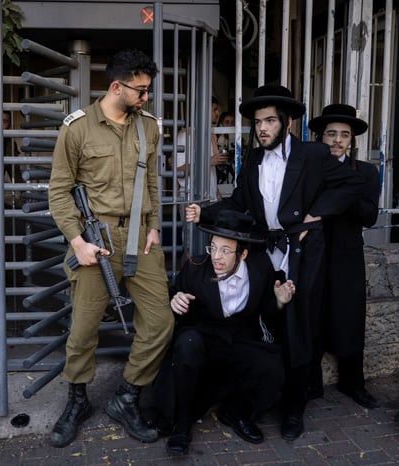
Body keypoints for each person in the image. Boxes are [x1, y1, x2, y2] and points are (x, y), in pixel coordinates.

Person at [185, 85, 365, 441]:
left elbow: (351, 186)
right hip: (265, 252)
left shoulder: (312, 154)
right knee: (261, 326)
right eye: (257, 122)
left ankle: (294, 412)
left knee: (299, 330)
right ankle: (254, 402)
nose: (262, 128)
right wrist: (203, 212)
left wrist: (315, 215)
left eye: (269, 120)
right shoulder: (252, 160)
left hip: (302, 254)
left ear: (287, 122)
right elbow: (240, 203)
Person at [47, 49, 174, 448]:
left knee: (159, 323)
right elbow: (58, 191)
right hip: (94, 240)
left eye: (149, 90)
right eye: (140, 90)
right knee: (83, 330)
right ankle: (77, 401)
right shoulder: (78, 128)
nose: (146, 98)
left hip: (140, 237)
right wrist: (77, 241)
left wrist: (154, 226)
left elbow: (152, 182)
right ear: (116, 86)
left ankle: (127, 396)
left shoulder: (148, 127)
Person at [152, 210, 295, 455]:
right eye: (213, 248)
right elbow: (176, 295)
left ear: (244, 253)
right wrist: (175, 301)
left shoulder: (260, 267)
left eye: (226, 251)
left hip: (240, 336)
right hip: (204, 336)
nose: (216, 257)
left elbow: (266, 309)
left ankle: (237, 413)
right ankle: (182, 425)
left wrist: (280, 301)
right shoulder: (196, 267)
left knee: (271, 366)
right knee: (187, 343)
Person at [307, 104, 380, 409]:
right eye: (331, 133)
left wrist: (343, 189)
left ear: (352, 140)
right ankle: (309, 384)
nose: (337, 140)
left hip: (348, 257)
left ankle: (354, 383)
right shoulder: (308, 171)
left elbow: (369, 217)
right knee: (310, 316)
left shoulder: (365, 172)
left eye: (344, 135)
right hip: (314, 254)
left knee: (350, 317)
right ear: (321, 137)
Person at [175, 97, 228, 201]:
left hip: (210, 197)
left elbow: (210, 172)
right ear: (203, 110)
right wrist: (208, 161)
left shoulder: (209, 135)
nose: (217, 113)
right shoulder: (185, 136)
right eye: (215, 109)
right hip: (191, 199)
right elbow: (179, 170)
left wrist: (217, 194)